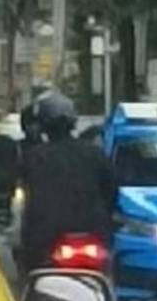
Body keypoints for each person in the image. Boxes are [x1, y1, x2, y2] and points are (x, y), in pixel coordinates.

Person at [16, 91, 119, 274]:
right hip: (92, 233)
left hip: (44, 241)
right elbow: (111, 192)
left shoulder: (33, 157)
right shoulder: (95, 154)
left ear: (43, 125)